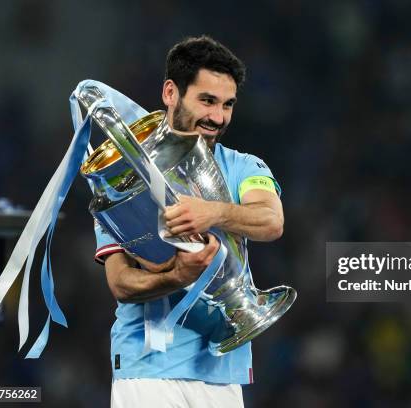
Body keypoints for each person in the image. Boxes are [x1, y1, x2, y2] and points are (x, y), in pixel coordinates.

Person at [93, 36, 284, 408]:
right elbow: (120, 283)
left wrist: (213, 211)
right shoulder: (124, 184)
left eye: (228, 105)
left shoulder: (243, 166)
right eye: (207, 100)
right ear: (171, 93)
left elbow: (271, 220)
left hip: (223, 368)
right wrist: (176, 277)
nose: (218, 117)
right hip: (148, 370)